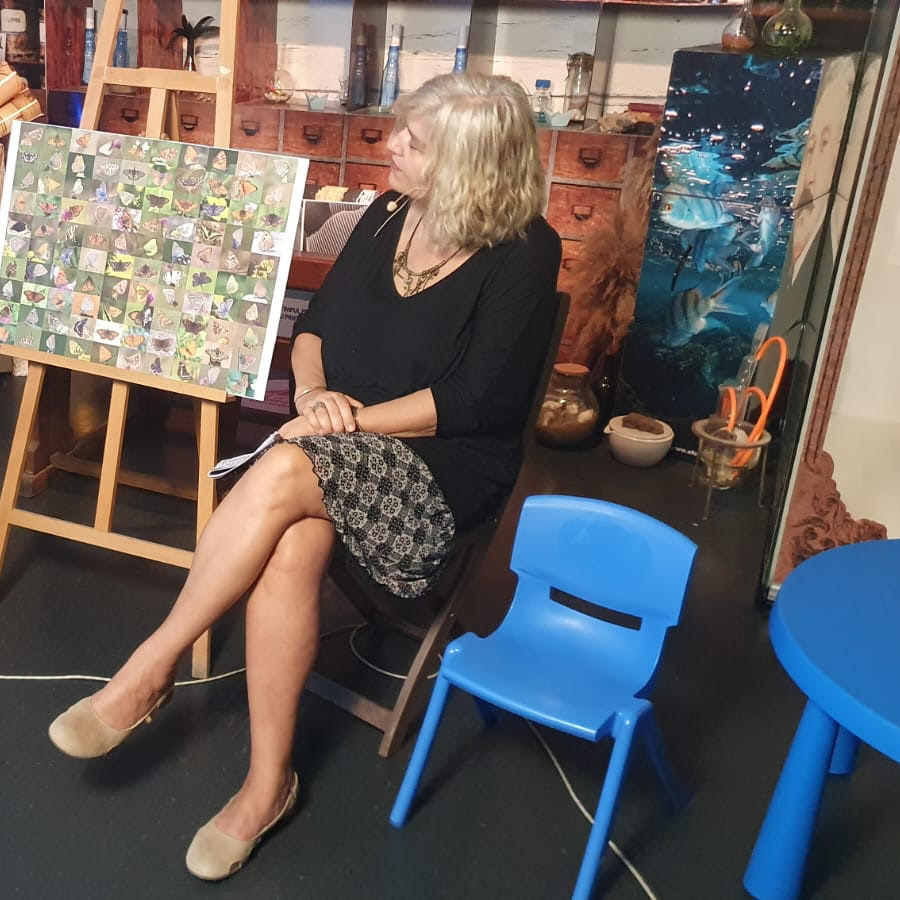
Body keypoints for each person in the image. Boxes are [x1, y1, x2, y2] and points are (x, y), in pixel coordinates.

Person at [46, 72, 561, 880]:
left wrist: (339, 424)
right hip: (333, 440)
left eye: (415, 141)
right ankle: (267, 786)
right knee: (292, 545)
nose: (392, 144)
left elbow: (474, 401)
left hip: (444, 467)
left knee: (288, 466)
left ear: (471, 165)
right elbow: (314, 327)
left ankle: (149, 670)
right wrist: (316, 397)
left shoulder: (526, 250)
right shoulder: (387, 213)